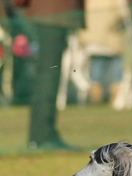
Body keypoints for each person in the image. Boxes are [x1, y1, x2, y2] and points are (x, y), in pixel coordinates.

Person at [18, 0, 85, 150]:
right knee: (48, 75)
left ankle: (43, 135)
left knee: (48, 73)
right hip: (52, 13)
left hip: (51, 12)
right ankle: (42, 136)